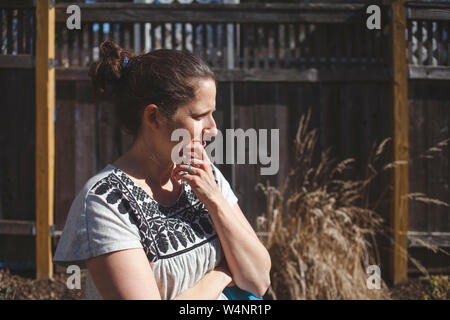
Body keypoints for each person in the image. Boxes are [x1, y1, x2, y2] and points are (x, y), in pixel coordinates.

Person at [53, 40, 271, 300]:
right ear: (154, 117)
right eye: (200, 116)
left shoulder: (203, 172)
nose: (213, 130)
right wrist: (222, 274)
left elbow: (258, 280)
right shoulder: (106, 202)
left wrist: (214, 199)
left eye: (213, 114)